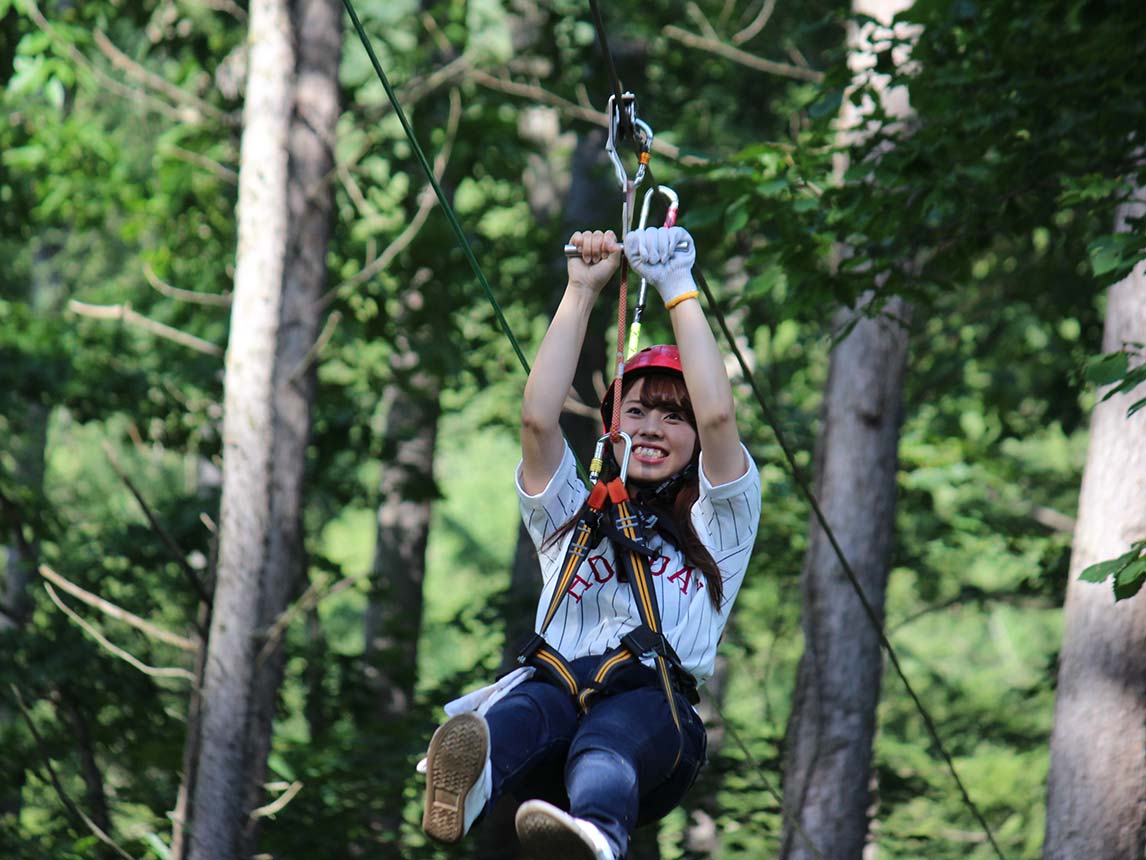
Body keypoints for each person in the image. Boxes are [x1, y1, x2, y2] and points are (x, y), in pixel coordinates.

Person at [419, 225, 761, 860]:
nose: (653, 428)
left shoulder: (722, 522)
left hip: (654, 720)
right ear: (612, 426)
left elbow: (719, 417)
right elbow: (537, 419)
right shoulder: (575, 513)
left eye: (673, 416)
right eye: (636, 412)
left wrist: (678, 289)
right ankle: (474, 783)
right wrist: (580, 291)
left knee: (608, 741)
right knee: (525, 711)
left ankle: (598, 836)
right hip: (555, 701)